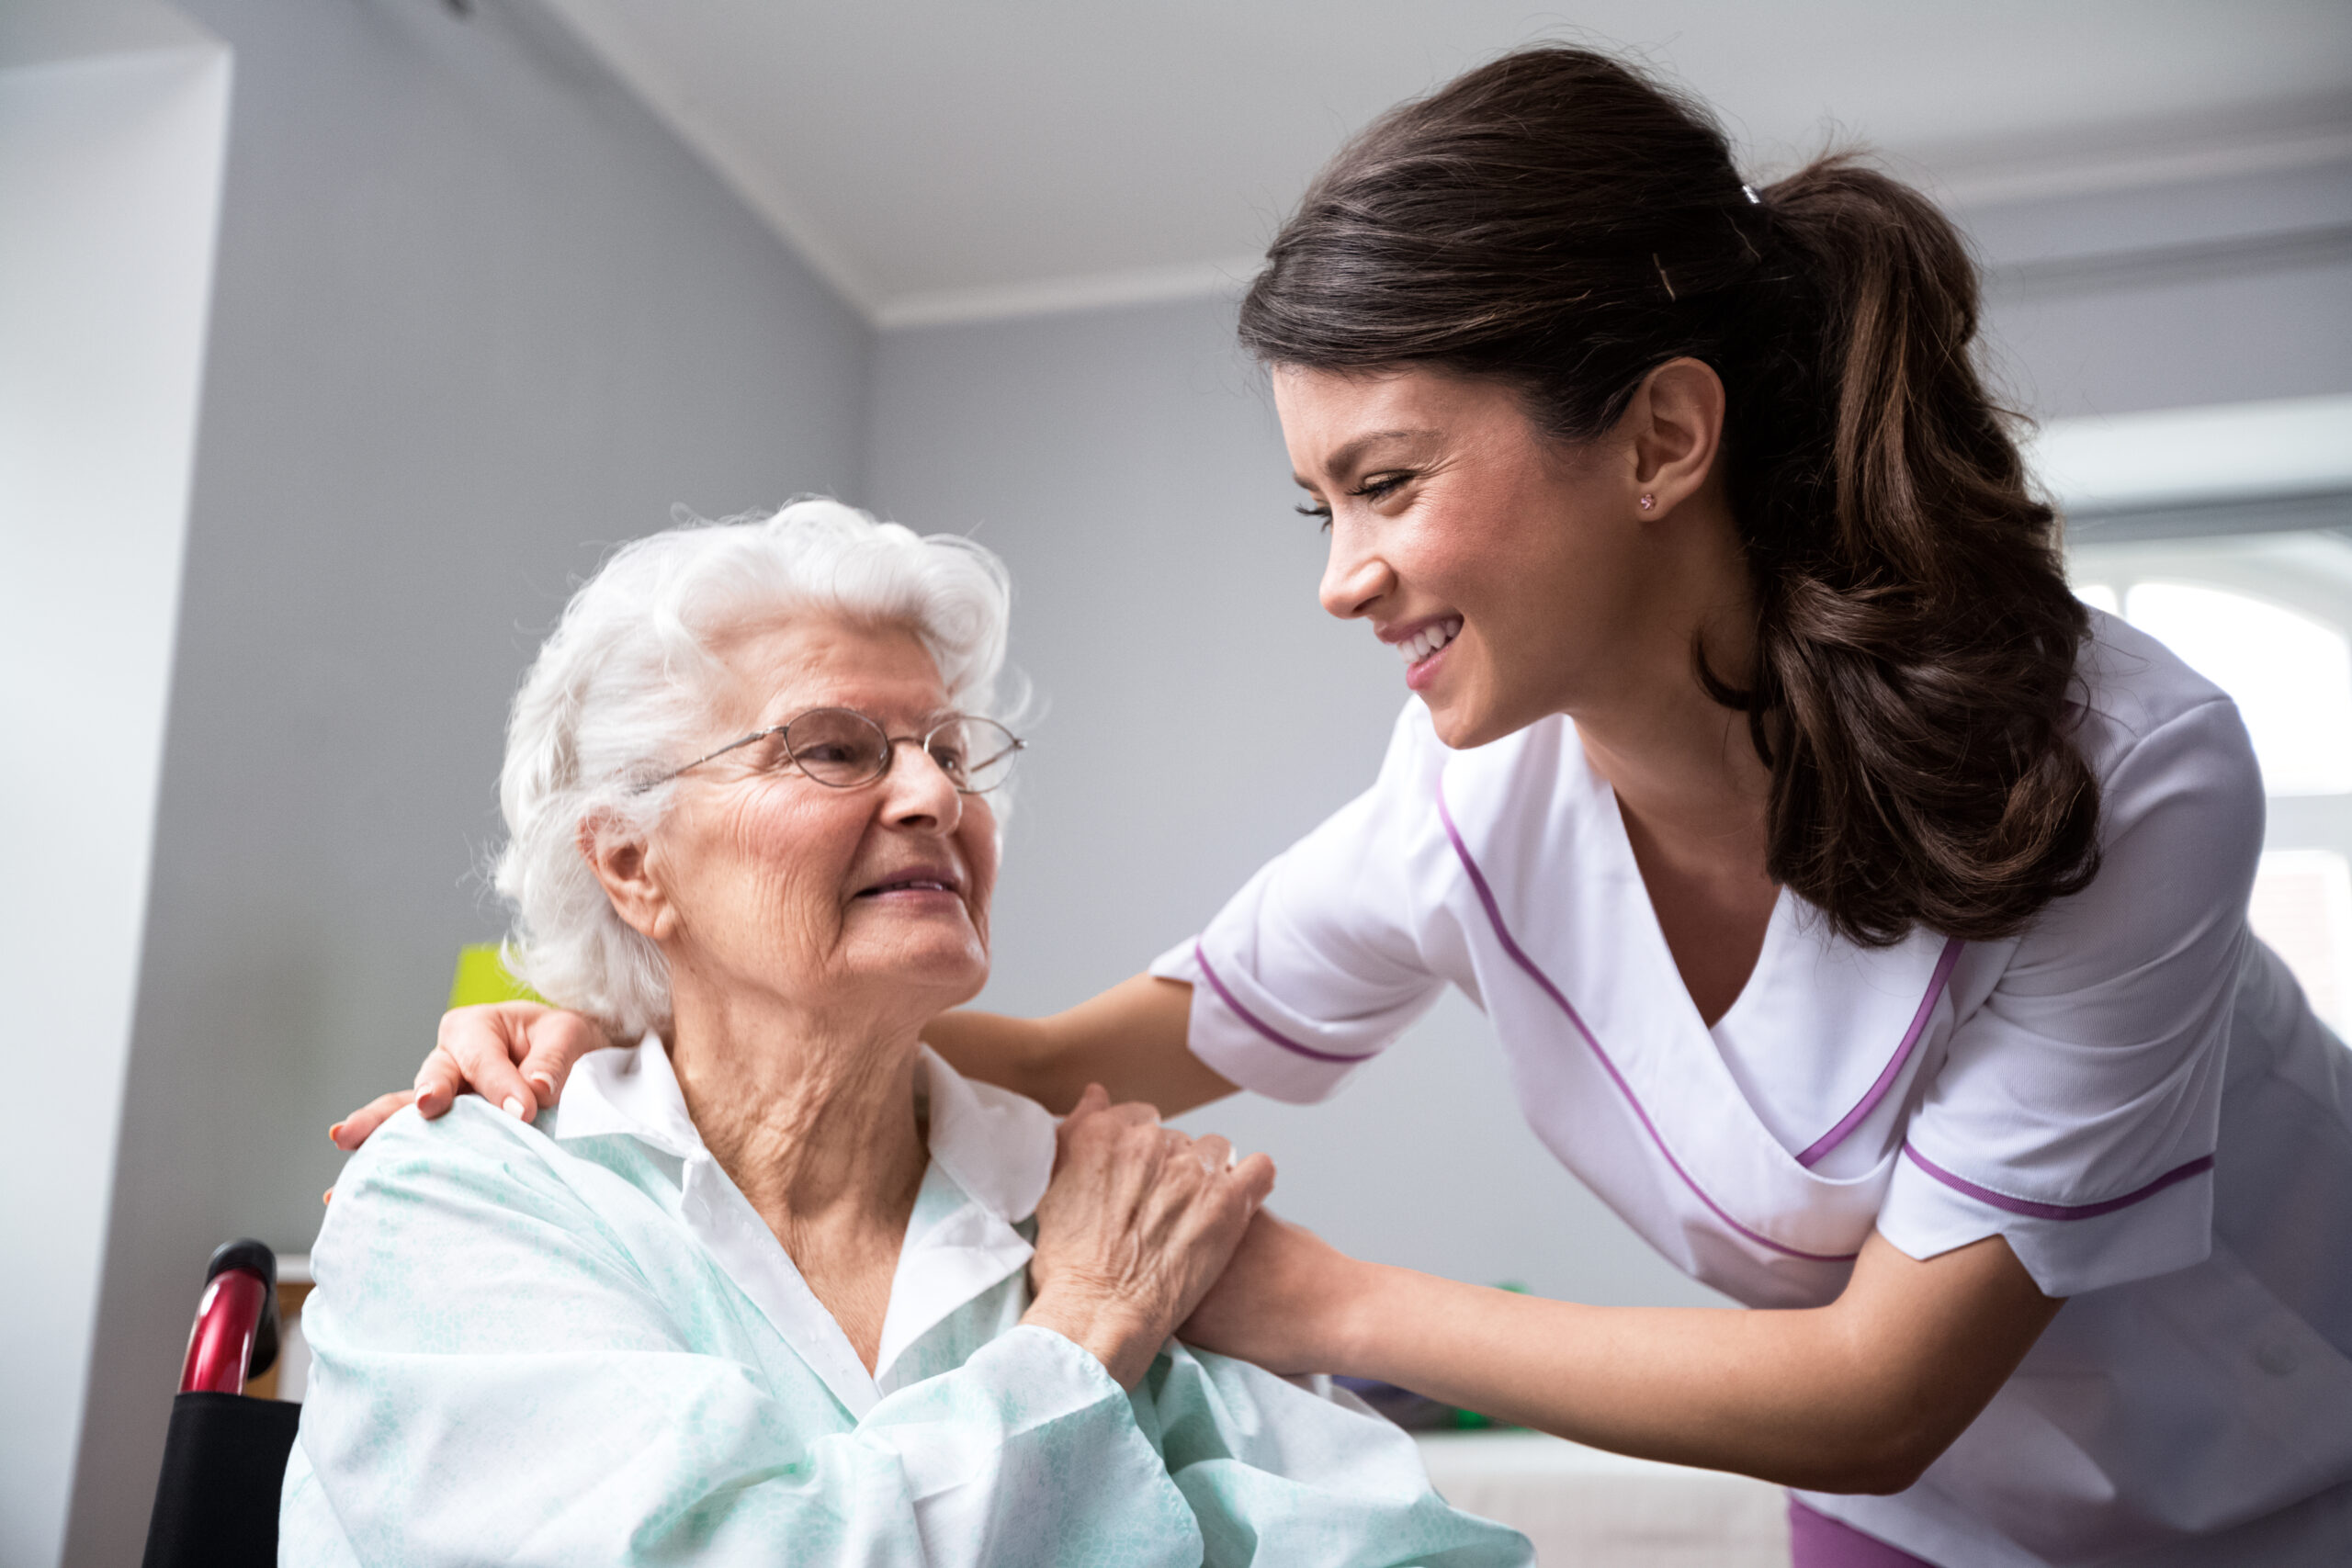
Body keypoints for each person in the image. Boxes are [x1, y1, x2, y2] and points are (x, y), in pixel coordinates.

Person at [342, 48, 2352, 1567]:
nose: (1339, 577)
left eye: (1385, 484)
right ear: (628, 854)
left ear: (1660, 435)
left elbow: (1877, 1384)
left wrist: (1295, 1299)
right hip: (1898, 1507)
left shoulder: (2117, 761)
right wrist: (627, 1016)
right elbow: (1053, 1049)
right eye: (1321, 507)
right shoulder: (1462, 792)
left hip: (2268, 1446)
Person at [287, 501, 1532, 1566]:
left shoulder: (1093, 1196)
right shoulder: (461, 1198)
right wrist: (1085, 1334)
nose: (938, 793)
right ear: (632, 866)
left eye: (948, 751)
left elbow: (1391, 1547)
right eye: (833, 749)